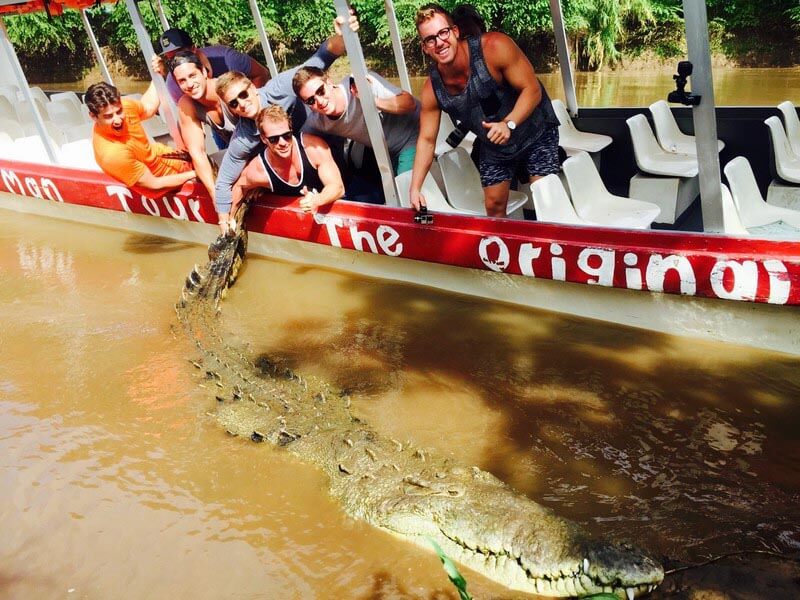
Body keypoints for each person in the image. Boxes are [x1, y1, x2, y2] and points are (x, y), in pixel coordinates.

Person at [409, 3, 560, 218]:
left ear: (455, 31)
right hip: (495, 145)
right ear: (425, 47)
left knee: (545, 198)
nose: (439, 43)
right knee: (494, 206)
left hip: (535, 131)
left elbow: (532, 89)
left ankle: (552, 246)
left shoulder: (495, 47)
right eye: (430, 39)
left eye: (443, 33)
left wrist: (509, 123)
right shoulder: (432, 89)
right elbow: (426, 140)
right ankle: (500, 248)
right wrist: (415, 188)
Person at [214, 14, 357, 233]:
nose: (242, 104)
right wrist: (224, 223)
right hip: (291, 168)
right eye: (234, 103)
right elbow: (225, 183)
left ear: (253, 87)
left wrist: (341, 36)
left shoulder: (281, 87)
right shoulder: (242, 137)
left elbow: (320, 59)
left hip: (325, 145)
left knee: (344, 181)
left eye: (243, 94)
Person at [292, 66, 420, 177]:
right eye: (310, 100)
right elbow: (295, 143)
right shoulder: (318, 121)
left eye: (321, 91)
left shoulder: (360, 83)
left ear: (330, 82)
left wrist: (372, 100)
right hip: (386, 152)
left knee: (406, 193)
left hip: (415, 135)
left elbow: (409, 103)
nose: (319, 101)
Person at [229, 104, 344, 218]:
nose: (283, 143)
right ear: (264, 139)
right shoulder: (258, 170)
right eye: (274, 139)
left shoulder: (314, 148)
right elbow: (239, 187)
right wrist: (229, 222)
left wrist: (316, 200)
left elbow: (338, 187)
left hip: (335, 204)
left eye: (287, 135)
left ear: (291, 130)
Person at [86, 82, 196, 198]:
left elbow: (148, 108)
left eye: (119, 112)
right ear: (93, 116)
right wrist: (193, 174)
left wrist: (159, 70)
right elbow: (154, 184)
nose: (118, 120)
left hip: (178, 159)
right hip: (168, 187)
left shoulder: (125, 106)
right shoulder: (111, 154)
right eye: (109, 116)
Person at [168, 51, 234, 205]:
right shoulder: (186, 104)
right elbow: (198, 153)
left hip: (267, 146)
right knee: (204, 169)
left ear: (204, 72)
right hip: (236, 154)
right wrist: (216, 197)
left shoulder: (227, 89)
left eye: (192, 76)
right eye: (182, 81)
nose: (189, 85)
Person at [154, 28, 270, 106]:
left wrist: (250, 105)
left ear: (193, 49)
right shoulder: (173, 84)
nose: (178, 61)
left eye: (181, 53)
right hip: (218, 122)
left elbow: (262, 73)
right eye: (171, 58)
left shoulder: (226, 58)